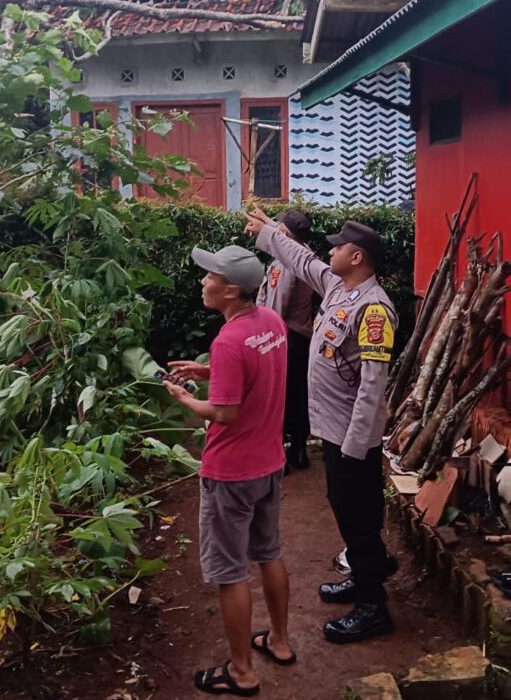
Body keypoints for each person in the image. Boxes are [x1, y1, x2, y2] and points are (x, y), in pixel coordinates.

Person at [244, 207, 399, 644]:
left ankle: (373, 608)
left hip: (353, 436)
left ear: (357, 257)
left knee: (360, 515)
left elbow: (372, 386)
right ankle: (363, 575)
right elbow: (301, 260)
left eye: (338, 247)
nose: (329, 252)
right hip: (333, 429)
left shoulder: (374, 311)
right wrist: (270, 231)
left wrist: (357, 444)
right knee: (344, 505)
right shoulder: (337, 287)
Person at [162, 243, 296, 696]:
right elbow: (258, 374)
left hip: (231, 473)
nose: (204, 282)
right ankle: (278, 640)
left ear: (231, 290)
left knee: (230, 571)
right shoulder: (271, 323)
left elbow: (223, 414)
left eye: (210, 277)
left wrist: (184, 397)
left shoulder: (228, 340)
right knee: (269, 553)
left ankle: (241, 671)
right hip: (269, 465)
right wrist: (206, 371)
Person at [256, 209, 315, 471]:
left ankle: (279, 453)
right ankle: (299, 450)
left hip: (284, 336)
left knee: (278, 395)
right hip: (300, 337)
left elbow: (277, 307)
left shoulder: (285, 265)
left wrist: (266, 338)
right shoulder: (305, 255)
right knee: (298, 393)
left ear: (283, 233)